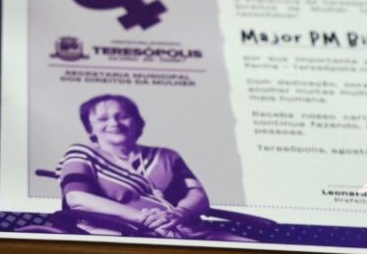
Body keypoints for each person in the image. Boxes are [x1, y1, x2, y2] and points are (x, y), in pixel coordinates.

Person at [57, 93, 252, 241]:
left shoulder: (167, 155)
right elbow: (77, 198)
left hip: (187, 229)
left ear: (137, 122)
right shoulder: (81, 152)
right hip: (123, 234)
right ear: (90, 127)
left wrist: (179, 213)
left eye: (122, 116)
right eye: (102, 119)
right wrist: (144, 219)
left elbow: (197, 194)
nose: (114, 123)